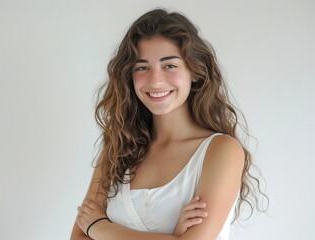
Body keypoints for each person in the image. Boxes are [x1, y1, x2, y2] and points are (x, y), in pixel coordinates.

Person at [71, 8, 266, 240]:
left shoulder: (221, 150)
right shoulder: (117, 148)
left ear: (194, 71)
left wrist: (101, 228)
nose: (155, 80)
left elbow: (89, 227)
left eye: (170, 65)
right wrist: (173, 236)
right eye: (142, 68)